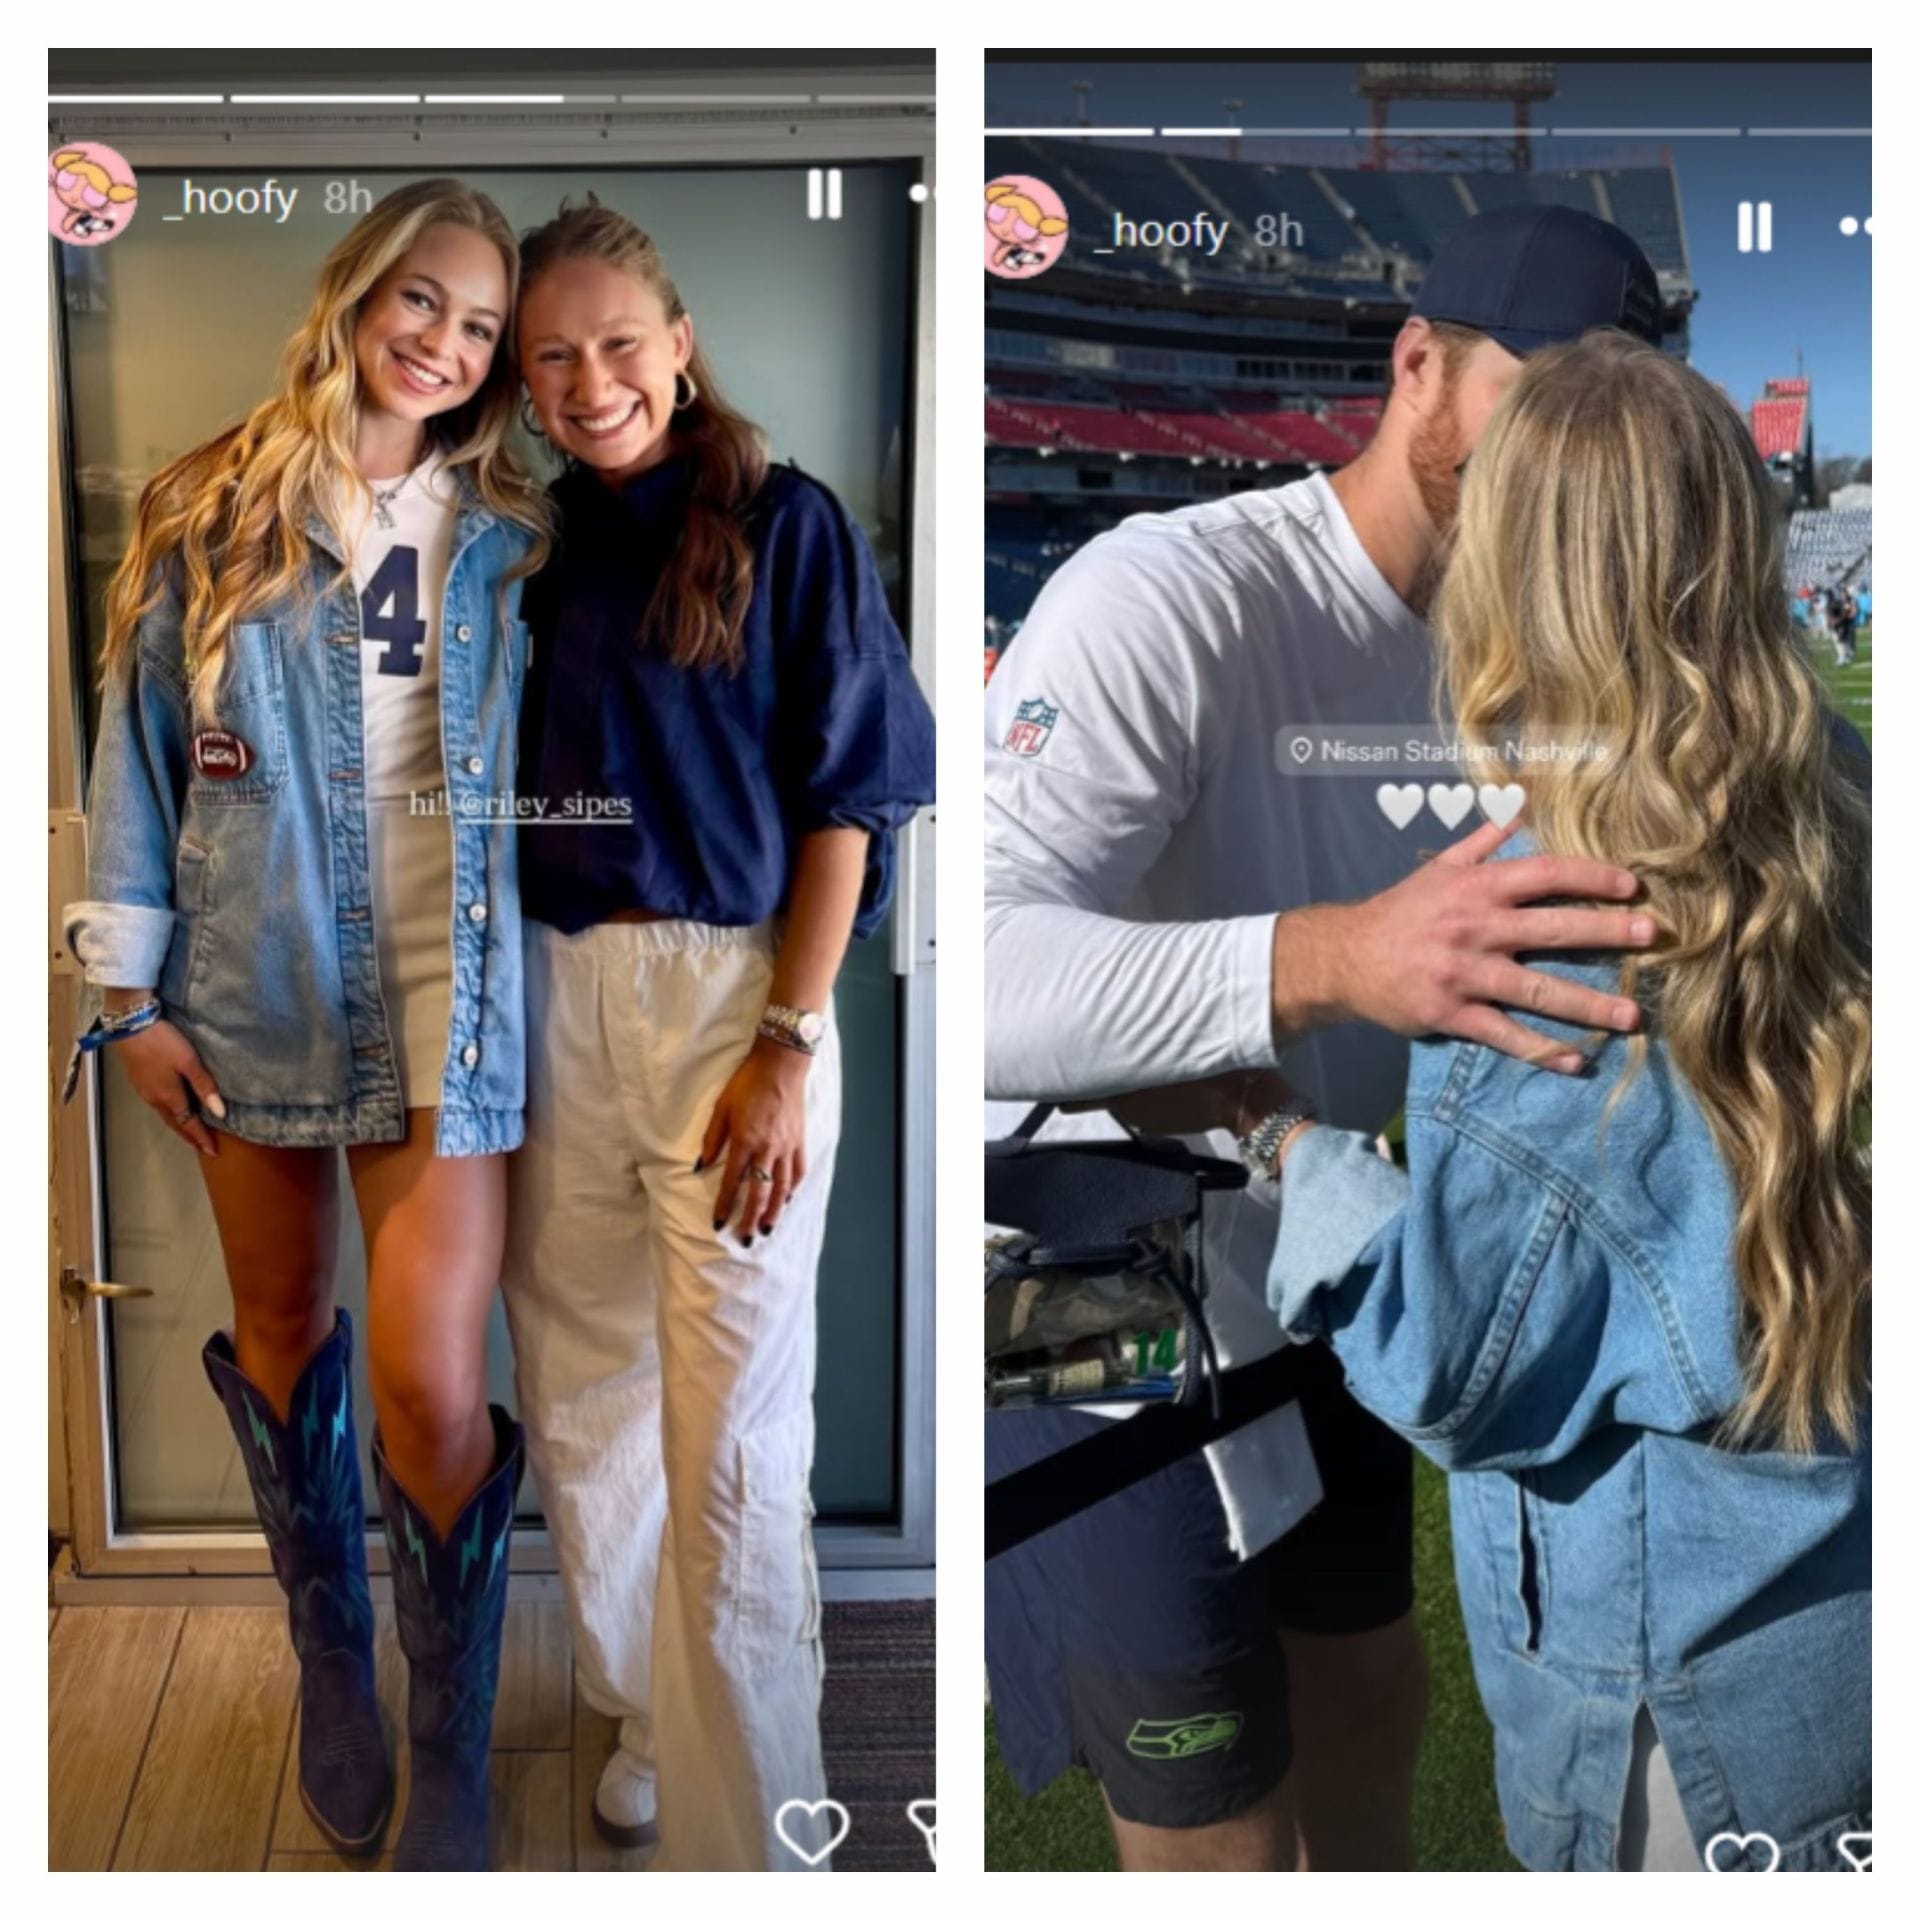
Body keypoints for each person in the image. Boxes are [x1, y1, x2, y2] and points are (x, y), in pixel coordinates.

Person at [983, 206, 1665, 1871]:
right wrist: (1339, 958)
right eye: (1542, 400)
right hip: (1085, 1271)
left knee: (1367, 1691)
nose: (1565, 465)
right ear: (1415, 365)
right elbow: (982, 971)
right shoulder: (1173, 595)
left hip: (1322, 1235)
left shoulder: (1537, 650)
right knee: (1213, 1808)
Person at [1260, 331, 1871, 1872]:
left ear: (1514, 578)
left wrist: (1295, 1152)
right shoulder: (1853, 807)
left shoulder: (1541, 934)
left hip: (1682, 1720)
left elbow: (1451, 1369)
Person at [61, 179, 548, 1871]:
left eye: (482, 325)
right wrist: (125, 1000)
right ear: (357, 291)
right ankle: (331, 1668)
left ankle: (451, 1743)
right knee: (285, 1340)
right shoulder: (209, 503)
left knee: (428, 1387)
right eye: (427, 300)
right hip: (253, 994)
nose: (448, 342)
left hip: (455, 1002)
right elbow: (127, 751)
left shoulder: (518, 529)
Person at [501, 197, 935, 1871]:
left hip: (729, 1001)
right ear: (526, 384)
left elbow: (855, 800)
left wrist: (792, 1039)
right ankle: (634, 1712)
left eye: (618, 342)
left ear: (679, 345)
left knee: (736, 1426)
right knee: (585, 1393)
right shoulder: (524, 542)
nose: (589, 377)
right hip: (551, 992)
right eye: (553, 355)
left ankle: (755, 1831)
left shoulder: (788, 522)